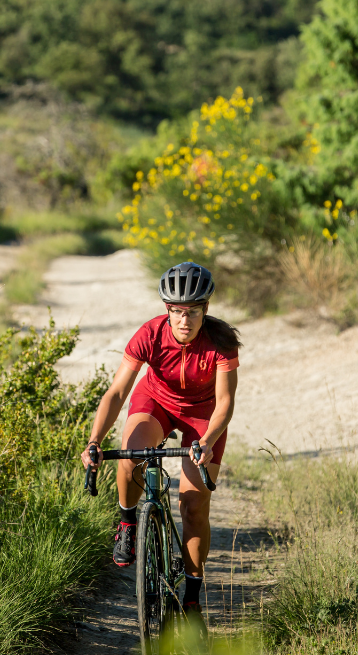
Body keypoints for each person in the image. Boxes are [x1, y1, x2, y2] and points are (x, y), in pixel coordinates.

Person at [81, 261, 241, 618]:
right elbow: (118, 391)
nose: (184, 320)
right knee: (130, 456)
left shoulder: (221, 343)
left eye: (193, 312)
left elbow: (226, 403)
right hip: (156, 402)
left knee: (194, 506)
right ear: (166, 310)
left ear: (206, 309)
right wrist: (94, 440)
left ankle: (193, 599)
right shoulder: (150, 334)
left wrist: (208, 440)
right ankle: (127, 523)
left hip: (205, 415)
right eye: (176, 312)